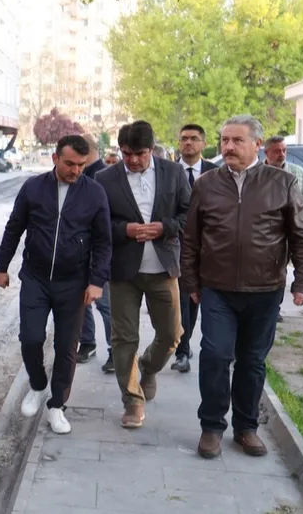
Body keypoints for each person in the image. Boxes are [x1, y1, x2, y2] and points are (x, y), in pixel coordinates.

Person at [181, 115, 303, 459]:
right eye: (224, 140)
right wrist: (191, 281)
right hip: (217, 289)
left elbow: (301, 236)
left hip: (264, 290)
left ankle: (246, 427)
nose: (228, 147)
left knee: (252, 361)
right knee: (215, 355)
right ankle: (212, 426)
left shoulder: (283, 182)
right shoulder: (207, 184)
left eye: (237, 141)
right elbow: (191, 238)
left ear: (257, 144)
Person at [0, 135, 112, 435]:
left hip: (74, 283)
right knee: (30, 338)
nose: (76, 171)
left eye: (81, 165)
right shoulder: (33, 188)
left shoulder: (94, 193)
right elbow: (14, 227)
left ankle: (57, 405)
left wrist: (97, 281)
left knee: (66, 347)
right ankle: (37, 385)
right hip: (35, 278)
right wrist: (2, 265)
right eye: (70, 164)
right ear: (55, 159)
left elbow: (103, 241)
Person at [94, 121, 190, 428]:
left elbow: (190, 214)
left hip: (163, 269)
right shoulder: (105, 179)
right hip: (123, 273)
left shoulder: (174, 173)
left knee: (172, 335)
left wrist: (165, 227)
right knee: (124, 338)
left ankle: (148, 367)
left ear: (152, 149)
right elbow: (97, 224)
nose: (133, 160)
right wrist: (125, 230)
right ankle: (132, 401)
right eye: (126, 153)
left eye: (140, 153)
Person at [171, 123, 219, 374]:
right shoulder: (168, 172)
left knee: (199, 299)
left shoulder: (216, 172)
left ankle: (192, 345)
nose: (188, 142)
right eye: (184, 138)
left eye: (193, 138)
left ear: (203, 143)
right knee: (183, 300)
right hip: (177, 245)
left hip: (210, 247)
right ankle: (182, 350)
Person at [79, 135, 114, 372]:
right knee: (81, 301)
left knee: (105, 304)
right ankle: (87, 343)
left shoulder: (104, 177)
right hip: (79, 250)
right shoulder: (80, 174)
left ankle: (115, 350)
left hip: (100, 251)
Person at [264, 136, 303, 206]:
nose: (282, 154)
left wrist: (299, 210)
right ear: (266, 153)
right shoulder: (255, 173)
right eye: (277, 151)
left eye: (284, 150)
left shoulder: (298, 171)